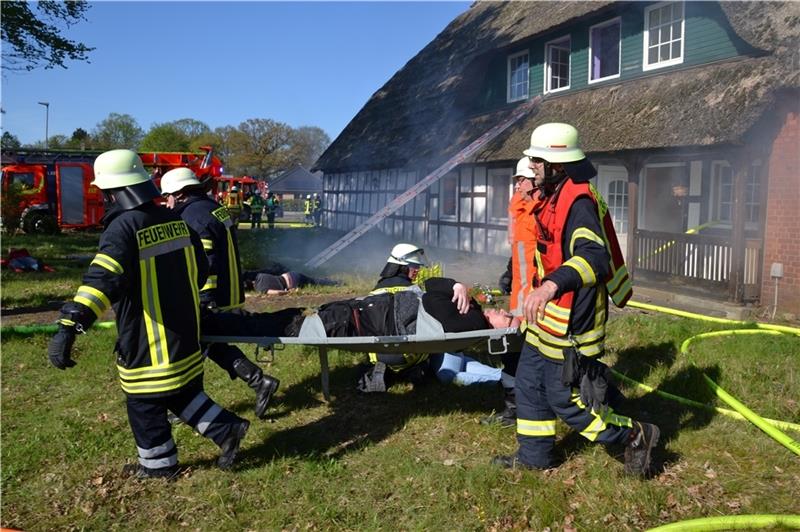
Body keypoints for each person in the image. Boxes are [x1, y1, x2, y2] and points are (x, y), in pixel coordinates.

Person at [46, 150, 249, 479]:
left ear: (112, 192)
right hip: (185, 331)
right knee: (181, 392)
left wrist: (71, 324)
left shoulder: (122, 228)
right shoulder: (175, 221)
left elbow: (103, 281)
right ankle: (227, 429)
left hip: (148, 338)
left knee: (144, 403)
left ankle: (158, 468)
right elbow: (199, 270)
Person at [491, 123, 657, 477]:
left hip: (573, 321)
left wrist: (549, 287)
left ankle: (634, 435)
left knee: (567, 400)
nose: (531, 167)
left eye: (537, 160)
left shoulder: (578, 200)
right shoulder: (552, 194)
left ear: (558, 165)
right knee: (529, 386)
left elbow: (594, 259)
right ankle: (535, 457)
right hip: (546, 317)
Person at [160, 168, 279, 420]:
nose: (166, 202)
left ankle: (189, 405)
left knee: (193, 350)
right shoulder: (212, 207)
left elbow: (207, 260)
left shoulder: (192, 216)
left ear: (180, 193)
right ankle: (259, 381)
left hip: (210, 295)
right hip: (228, 291)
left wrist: (204, 300)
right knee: (210, 342)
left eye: (168, 196)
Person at [484, 158, 541, 427]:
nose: (518, 183)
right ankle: (513, 410)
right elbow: (521, 250)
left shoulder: (542, 209)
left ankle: (523, 410)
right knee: (514, 353)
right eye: (516, 180)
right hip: (522, 296)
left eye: (522, 179)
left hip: (539, 298)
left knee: (528, 357)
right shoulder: (520, 207)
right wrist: (510, 270)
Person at [242, 269, 339, 294]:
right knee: (314, 280)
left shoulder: (261, 289)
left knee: (315, 282)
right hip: (290, 274)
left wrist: (288, 292)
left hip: (292, 283)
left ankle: (335, 283)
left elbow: (277, 293)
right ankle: (333, 282)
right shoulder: (260, 275)